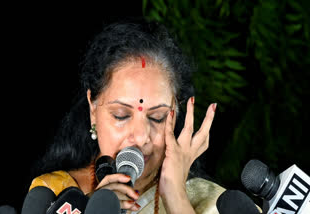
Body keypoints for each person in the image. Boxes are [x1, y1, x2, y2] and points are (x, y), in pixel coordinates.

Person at [28, 17, 226, 214]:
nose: (140, 137)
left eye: (157, 117)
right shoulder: (56, 194)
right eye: (121, 115)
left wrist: (175, 196)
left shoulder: (211, 203)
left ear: (177, 113)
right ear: (93, 110)